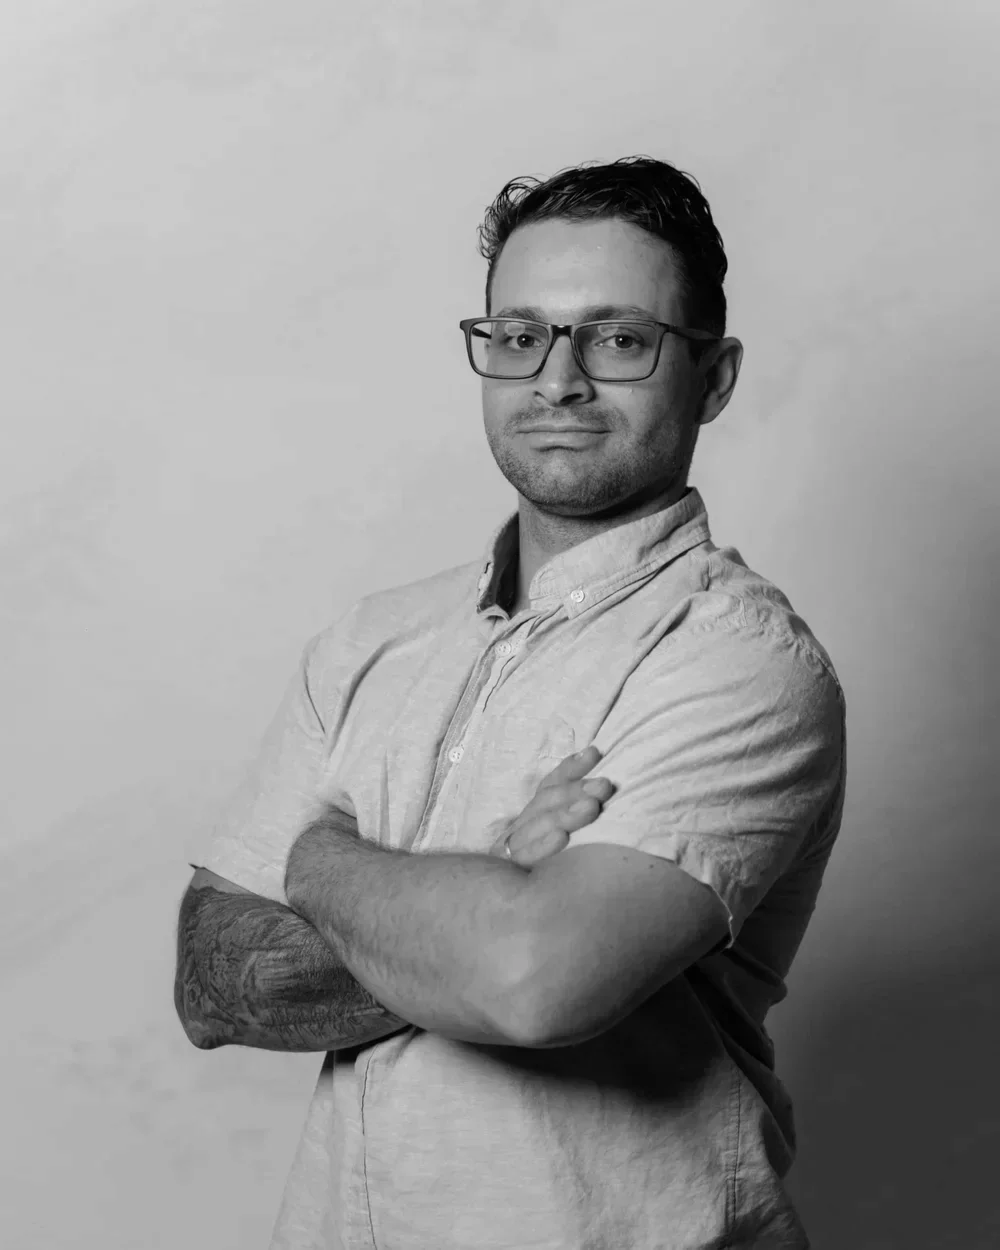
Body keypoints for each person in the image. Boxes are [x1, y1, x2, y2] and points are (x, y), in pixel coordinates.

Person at [175, 156, 847, 1250]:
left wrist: (318, 861)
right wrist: (488, 879)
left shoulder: (740, 664)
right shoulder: (369, 643)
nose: (558, 380)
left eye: (618, 339)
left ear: (714, 377)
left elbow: (533, 980)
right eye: (521, 335)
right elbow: (213, 980)